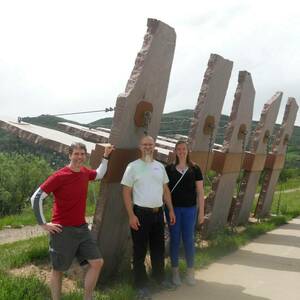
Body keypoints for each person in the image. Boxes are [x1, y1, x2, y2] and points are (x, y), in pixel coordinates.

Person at [31, 142, 114, 300]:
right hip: (62, 230)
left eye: (82, 154)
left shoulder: (84, 172)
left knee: (97, 262)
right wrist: (43, 224)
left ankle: (87, 297)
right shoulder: (59, 176)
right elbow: (36, 197)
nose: (79, 157)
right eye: (76, 154)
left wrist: (106, 156)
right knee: (58, 269)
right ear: (69, 155)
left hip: (82, 229)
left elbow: (99, 174)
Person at [121, 135, 176, 300]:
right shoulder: (132, 167)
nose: (147, 147)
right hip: (140, 214)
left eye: (150, 144)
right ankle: (141, 286)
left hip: (158, 213)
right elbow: (126, 192)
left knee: (158, 248)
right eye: (145, 144)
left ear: (154, 146)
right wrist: (131, 215)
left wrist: (170, 210)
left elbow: (166, 190)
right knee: (139, 250)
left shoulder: (160, 167)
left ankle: (159, 278)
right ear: (140, 147)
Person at [165, 140, 205, 286]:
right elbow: (165, 192)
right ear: (175, 151)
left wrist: (201, 213)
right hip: (173, 210)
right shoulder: (169, 169)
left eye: (184, 149)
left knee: (189, 240)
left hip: (190, 209)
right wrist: (168, 211)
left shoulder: (195, 168)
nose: (181, 151)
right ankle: (175, 273)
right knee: (174, 240)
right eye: (179, 149)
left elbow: (200, 192)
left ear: (188, 151)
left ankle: (190, 272)